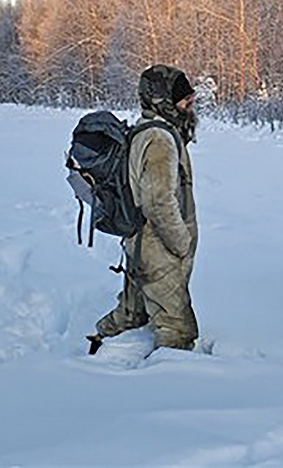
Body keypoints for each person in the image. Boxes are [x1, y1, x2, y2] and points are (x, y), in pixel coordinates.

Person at [91, 64, 200, 353]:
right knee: (178, 332)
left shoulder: (151, 131)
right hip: (158, 249)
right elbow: (158, 201)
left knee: (132, 313)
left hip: (141, 244)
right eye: (184, 99)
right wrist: (181, 243)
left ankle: (97, 346)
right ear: (162, 101)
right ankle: (163, 390)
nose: (191, 103)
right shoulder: (159, 140)